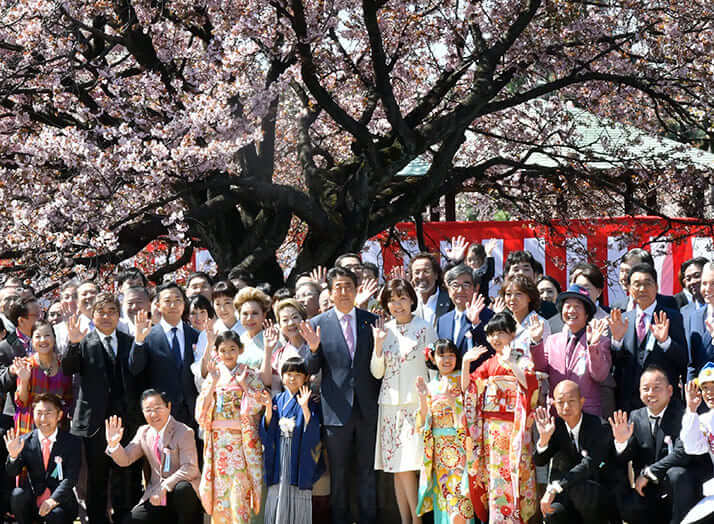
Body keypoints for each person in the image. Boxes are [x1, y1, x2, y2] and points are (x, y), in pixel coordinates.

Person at [298, 266, 379, 524]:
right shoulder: (318, 324)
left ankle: (368, 519)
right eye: (338, 287)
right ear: (330, 293)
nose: (343, 292)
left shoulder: (372, 320)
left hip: (367, 408)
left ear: (356, 290)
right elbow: (310, 371)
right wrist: (312, 349)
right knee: (340, 474)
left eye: (348, 286)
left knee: (367, 472)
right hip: (335, 411)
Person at [61, 293, 145, 524]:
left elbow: (138, 371)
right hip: (95, 422)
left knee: (127, 476)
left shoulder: (130, 340)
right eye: (101, 311)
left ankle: (126, 519)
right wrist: (74, 343)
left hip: (127, 420)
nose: (106, 316)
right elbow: (68, 368)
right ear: (93, 315)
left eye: (111, 311)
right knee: (97, 479)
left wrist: (138, 342)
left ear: (119, 315)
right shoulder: (84, 341)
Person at [462, 312, 539, 523]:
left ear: (512, 334)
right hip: (491, 429)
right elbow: (469, 388)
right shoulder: (489, 363)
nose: (496, 338)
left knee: (515, 474)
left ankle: (514, 518)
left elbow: (529, 384)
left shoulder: (520, 356)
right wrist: (466, 364)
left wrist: (511, 361)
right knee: (496, 477)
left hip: (514, 427)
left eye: (501, 333)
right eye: (492, 334)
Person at [370, 278, 436, 524]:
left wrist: (431, 400)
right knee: (396, 470)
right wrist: (377, 345)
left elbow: (434, 367)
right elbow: (377, 372)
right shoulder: (384, 330)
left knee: (409, 466)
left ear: (411, 300)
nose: (397, 305)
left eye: (402, 299)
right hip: (389, 405)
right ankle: (405, 520)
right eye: (392, 301)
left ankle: (417, 521)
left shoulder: (425, 328)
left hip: (415, 404)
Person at [609, 366, 710, 524]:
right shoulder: (635, 416)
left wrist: (649, 473)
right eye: (646, 389)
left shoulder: (683, 414)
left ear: (670, 390)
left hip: (676, 489)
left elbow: (681, 454)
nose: (651, 393)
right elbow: (625, 458)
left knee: (677, 474)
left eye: (656, 388)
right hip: (647, 490)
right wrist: (621, 443)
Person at [195, 331, 265, 524]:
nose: (228, 354)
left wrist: (243, 385)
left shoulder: (248, 373)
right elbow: (201, 412)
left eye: (232, 349)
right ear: (216, 352)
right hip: (218, 443)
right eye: (223, 350)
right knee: (220, 492)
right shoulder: (213, 375)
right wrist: (214, 383)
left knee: (239, 491)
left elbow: (260, 403)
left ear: (240, 350)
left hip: (241, 444)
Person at [104, 389, 202, 524]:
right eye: (148, 410)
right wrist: (114, 445)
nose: (153, 414)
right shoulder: (143, 432)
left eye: (158, 408)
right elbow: (125, 459)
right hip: (156, 496)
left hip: (180, 496)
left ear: (168, 407)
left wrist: (165, 486)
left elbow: (191, 468)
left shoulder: (184, 431)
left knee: (183, 489)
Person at [608, 263, 687, 412]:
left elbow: (683, 360)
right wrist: (617, 342)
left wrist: (666, 342)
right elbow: (613, 365)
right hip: (628, 404)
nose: (642, 289)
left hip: (664, 402)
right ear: (630, 289)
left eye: (647, 283)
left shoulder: (673, 317)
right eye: (637, 285)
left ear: (656, 287)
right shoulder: (621, 319)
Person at [534, 381, 613, 524]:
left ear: (582, 402)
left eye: (571, 401)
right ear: (553, 404)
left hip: (595, 492)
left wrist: (554, 488)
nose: (566, 407)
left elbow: (589, 465)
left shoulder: (599, 426)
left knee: (582, 491)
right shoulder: (555, 427)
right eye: (561, 402)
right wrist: (544, 440)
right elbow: (540, 461)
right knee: (552, 513)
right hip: (566, 494)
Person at [415, 339, 474, 524]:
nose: (447, 360)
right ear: (432, 358)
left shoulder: (463, 381)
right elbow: (423, 423)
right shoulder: (431, 385)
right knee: (443, 496)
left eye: (451, 355)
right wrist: (423, 399)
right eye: (442, 355)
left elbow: (470, 414)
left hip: (460, 446)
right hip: (439, 451)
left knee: (461, 494)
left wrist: (451, 401)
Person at [259, 357, 323, 524]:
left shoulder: (310, 400)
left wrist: (304, 407)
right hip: (280, 450)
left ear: (306, 378)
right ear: (282, 376)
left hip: (298, 452)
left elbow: (313, 430)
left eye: (297, 374)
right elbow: (267, 427)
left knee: (296, 490)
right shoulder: (277, 400)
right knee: (278, 489)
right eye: (288, 374)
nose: (292, 378)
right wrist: (267, 409)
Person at [530, 285, 611, 416]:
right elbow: (540, 370)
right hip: (557, 413)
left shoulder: (601, 340)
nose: (571, 310)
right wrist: (536, 342)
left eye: (577, 306)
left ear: (587, 314)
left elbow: (599, 375)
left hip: (588, 413)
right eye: (567, 306)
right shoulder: (552, 341)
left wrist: (592, 345)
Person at [129, 282, 200, 430]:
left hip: (194, 412)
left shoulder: (196, 336)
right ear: (158, 305)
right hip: (162, 412)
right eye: (167, 301)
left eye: (177, 300)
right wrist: (139, 341)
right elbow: (135, 368)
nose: (173, 305)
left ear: (184, 304)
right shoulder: (148, 336)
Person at [4, 393, 81, 524]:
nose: (43, 419)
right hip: (34, 500)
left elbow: (71, 478)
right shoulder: (24, 441)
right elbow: (12, 472)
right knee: (17, 495)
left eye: (48, 413)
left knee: (55, 515)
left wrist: (53, 500)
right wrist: (13, 456)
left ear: (59, 415)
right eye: (39, 413)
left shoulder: (71, 442)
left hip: (59, 503)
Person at [14, 321, 73, 436]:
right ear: (32, 340)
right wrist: (25, 380)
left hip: (55, 429)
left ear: (54, 338)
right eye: (37, 336)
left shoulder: (63, 365)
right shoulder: (27, 365)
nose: (42, 340)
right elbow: (22, 402)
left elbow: (68, 399)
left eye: (47, 335)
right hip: (28, 428)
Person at [436, 265, 493, 370]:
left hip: (478, 382)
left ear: (476, 288)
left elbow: (491, 351)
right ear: (448, 290)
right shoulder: (442, 321)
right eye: (455, 285)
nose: (460, 290)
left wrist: (476, 324)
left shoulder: (489, 317)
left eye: (466, 285)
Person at [679, 363, 714, 524]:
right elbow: (692, 447)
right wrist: (691, 410)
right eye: (705, 387)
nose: (709, 392)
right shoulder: (706, 420)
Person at [499, 274, 551, 363]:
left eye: (518, 294)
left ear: (529, 297)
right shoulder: (504, 322)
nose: (512, 299)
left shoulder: (540, 324)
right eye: (508, 294)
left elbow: (545, 358)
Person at [686, 262, 714, 381]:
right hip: (701, 392)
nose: (707, 289)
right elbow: (692, 363)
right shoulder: (695, 316)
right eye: (704, 283)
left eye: (713, 283)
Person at [233, 286, 272, 371]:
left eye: (255, 313)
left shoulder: (272, 340)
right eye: (245, 314)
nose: (249, 318)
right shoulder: (238, 340)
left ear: (264, 315)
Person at [410, 253, 452, 327]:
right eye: (417, 272)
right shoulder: (408, 301)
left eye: (426, 271)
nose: (421, 276)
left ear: (436, 275)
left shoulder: (450, 299)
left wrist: (456, 261)